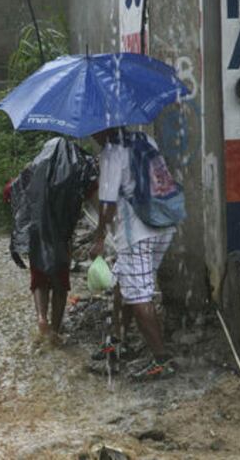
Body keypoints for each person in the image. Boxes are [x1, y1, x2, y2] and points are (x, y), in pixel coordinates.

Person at [89, 127, 177, 381]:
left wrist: (99, 237)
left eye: (95, 131)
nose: (93, 137)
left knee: (139, 296)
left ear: (103, 127)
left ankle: (162, 361)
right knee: (123, 280)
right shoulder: (145, 138)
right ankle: (117, 340)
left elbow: (107, 204)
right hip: (163, 224)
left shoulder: (111, 152)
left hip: (137, 232)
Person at [6, 137, 97, 342]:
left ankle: (41, 319)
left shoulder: (33, 172)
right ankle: (55, 329)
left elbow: (9, 192)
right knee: (60, 283)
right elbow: (91, 191)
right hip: (62, 238)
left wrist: (23, 173)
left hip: (36, 236)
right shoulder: (72, 175)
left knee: (38, 279)